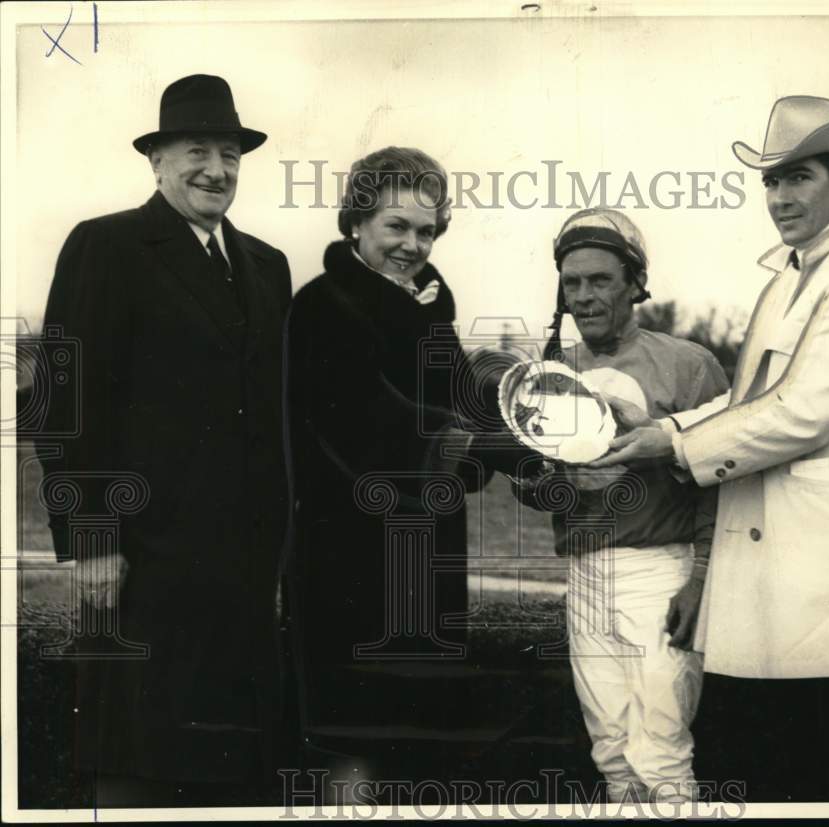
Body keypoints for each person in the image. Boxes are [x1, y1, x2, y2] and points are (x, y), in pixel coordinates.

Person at [592, 96, 829, 802]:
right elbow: (747, 402)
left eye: (797, 176)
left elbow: (801, 414)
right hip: (777, 579)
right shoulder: (790, 276)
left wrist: (674, 449)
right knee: (775, 772)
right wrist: (662, 428)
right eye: (770, 180)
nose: (778, 195)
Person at [36, 74, 292, 806]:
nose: (216, 168)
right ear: (156, 161)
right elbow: (66, 399)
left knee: (233, 767)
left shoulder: (268, 266)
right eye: (196, 150)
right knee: (137, 762)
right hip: (139, 558)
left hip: (243, 567)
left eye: (230, 154)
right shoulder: (107, 245)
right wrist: (92, 538)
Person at [285, 146, 535, 794]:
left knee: (422, 742)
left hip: (428, 553)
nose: (412, 244)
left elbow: (464, 403)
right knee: (355, 740)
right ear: (356, 222)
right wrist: (477, 450)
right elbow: (367, 416)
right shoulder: (321, 305)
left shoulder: (431, 313)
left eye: (426, 230)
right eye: (396, 226)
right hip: (348, 555)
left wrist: (531, 434)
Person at [512, 208, 729, 803]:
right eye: (572, 282)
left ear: (635, 282)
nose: (583, 296)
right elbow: (542, 493)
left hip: (662, 568)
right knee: (610, 753)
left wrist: (702, 580)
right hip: (584, 572)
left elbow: (723, 486)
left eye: (600, 280)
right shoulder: (552, 372)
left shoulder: (688, 364)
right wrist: (538, 473)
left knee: (661, 754)